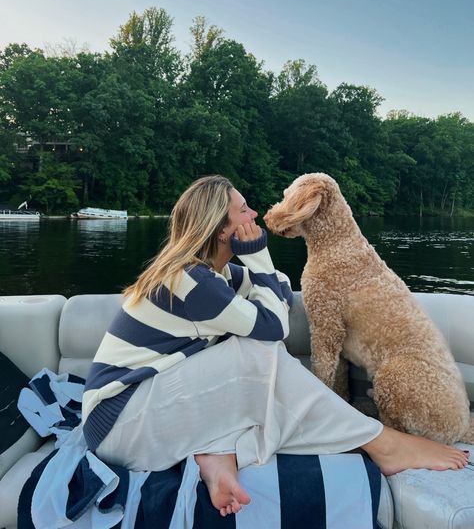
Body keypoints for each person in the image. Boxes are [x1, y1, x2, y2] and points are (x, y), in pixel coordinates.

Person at [82, 175, 469, 517]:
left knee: (258, 359)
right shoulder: (189, 281)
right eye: (244, 210)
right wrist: (260, 258)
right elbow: (272, 328)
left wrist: (261, 271)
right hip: (119, 422)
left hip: (152, 409)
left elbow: (280, 287)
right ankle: (382, 443)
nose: (255, 216)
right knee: (258, 354)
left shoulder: (220, 276)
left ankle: (218, 456)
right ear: (221, 230)